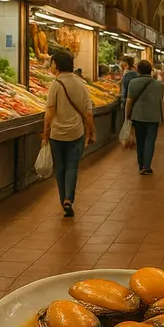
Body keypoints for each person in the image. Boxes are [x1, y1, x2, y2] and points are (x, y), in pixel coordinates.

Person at [43, 51, 96, 218]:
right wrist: (92, 131)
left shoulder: (56, 85)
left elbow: (50, 111)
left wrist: (45, 133)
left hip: (57, 134)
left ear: (57, 65)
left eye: (52, 63)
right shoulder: (81, 84)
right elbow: (87, 113)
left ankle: (62, 199)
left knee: (60, 168)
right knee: (72, 166)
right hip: (76, 133)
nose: (51, 66)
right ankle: (68, 199)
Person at [126, 60, 164, 174]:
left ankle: (141, 164)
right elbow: (160, 101)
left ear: (138, 70)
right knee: (150, 141)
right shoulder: (159, 85)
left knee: (140, 141)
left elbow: (129, 101)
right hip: (154, 116)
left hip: (138, 116)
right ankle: (147, 166)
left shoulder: (133, 82)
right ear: (150, 70)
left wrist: (127, 116)